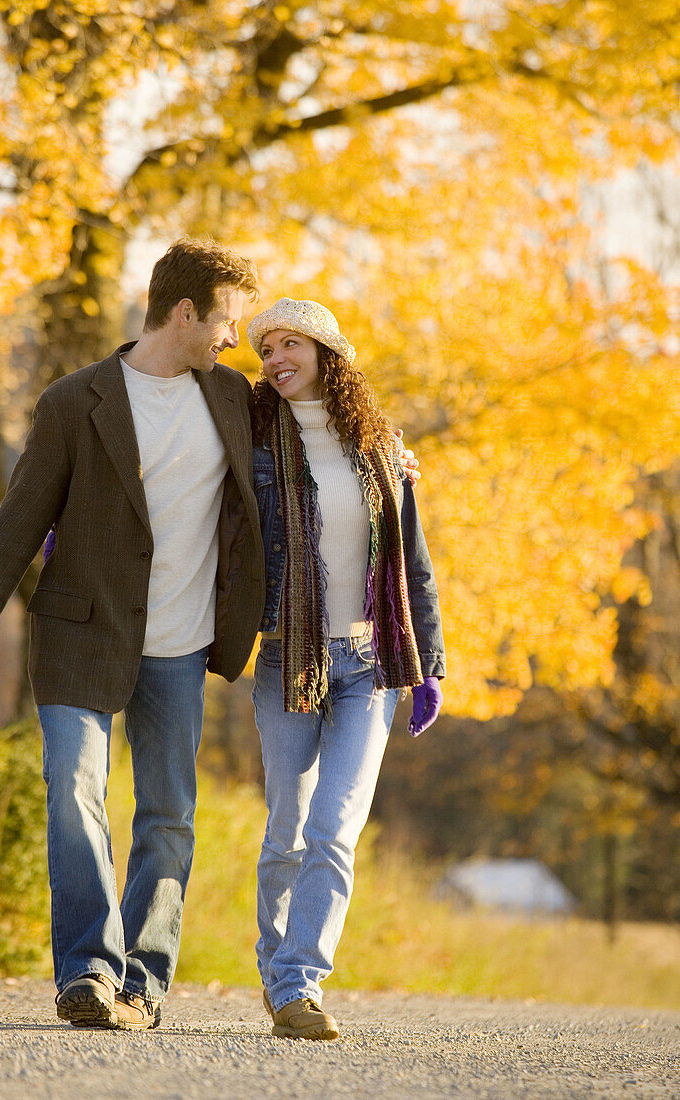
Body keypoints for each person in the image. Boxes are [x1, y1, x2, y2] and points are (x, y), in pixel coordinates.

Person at [0, 239, 265, 1030]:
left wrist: (387, 464)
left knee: (166, 812)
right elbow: (20, 515)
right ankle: (87, 970)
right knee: (75, 797)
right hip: (79, 633)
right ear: (184, 312)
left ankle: (144, 984)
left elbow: (314, 438)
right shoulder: (75, 400)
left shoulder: (233, 398)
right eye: (227, 320)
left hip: (181, 644)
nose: (235, 338)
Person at [246, 298, 446, 1041]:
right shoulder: (254, 440)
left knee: (334, 828)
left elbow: (413, 565)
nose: (274, 359)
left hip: (368, 661)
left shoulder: (382, 448)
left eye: (290, 343)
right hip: (285, 656)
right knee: (287, 833)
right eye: (265, 349)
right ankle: (278, 975)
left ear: (329, 353)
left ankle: (299, 984)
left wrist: (428, 664)